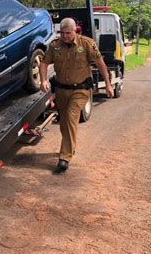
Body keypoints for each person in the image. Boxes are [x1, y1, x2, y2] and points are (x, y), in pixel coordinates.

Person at [40, 18, 114, 174]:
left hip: (80, 90)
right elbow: (44, 63)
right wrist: (43, 80)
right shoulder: (55, 46)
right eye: (62, 33)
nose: (65, 36)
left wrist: (107, 84)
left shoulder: (86, 43)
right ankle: (70, 147)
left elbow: (100, 63)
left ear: (75, 30)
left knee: (71, 116)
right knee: (63, 122)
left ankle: (64, 158)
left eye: (68, 33)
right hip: (61, 91)